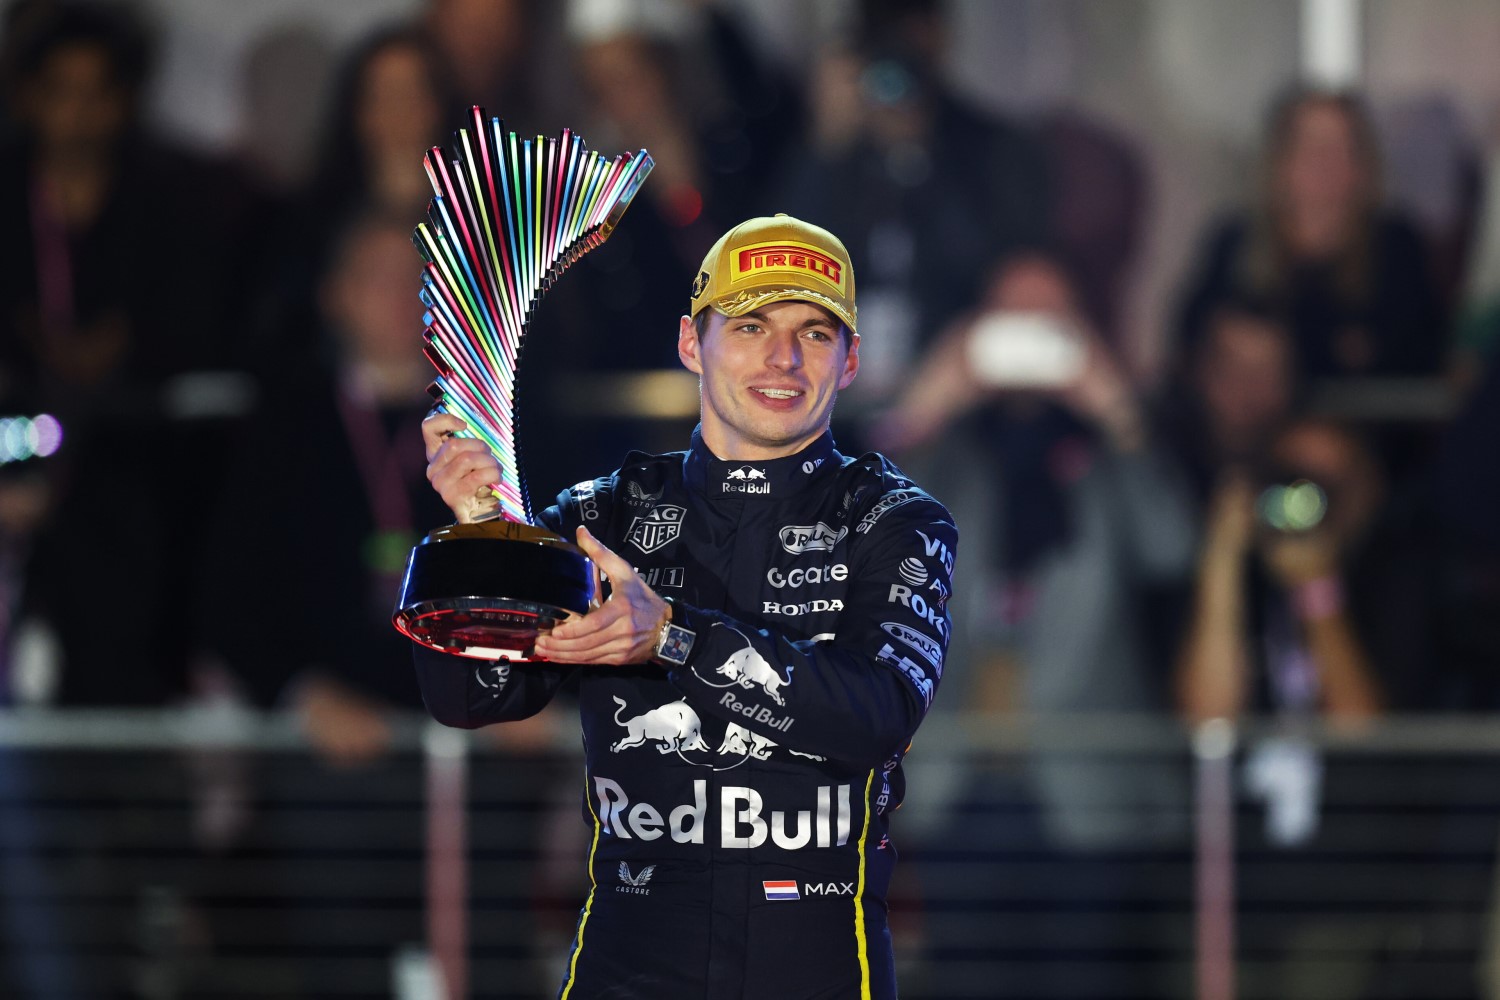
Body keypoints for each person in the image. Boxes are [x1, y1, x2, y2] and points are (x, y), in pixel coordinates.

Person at [415, 214, 957, 999]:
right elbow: (469, 698)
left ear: (850, 363)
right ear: (689, 344)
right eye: (750, 325)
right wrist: (477, 535)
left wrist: (670, 639)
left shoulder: (895, 518)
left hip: (815, 973)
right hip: (625, 971)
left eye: (814, 332)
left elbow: (879, 716)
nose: (782, 358)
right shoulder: (603, 515)